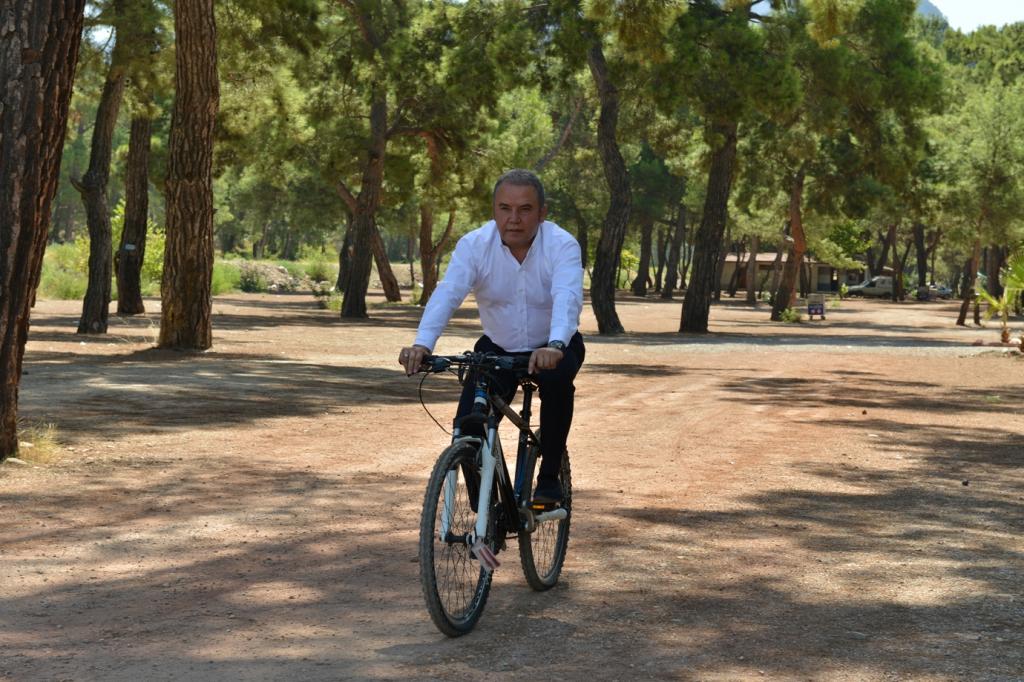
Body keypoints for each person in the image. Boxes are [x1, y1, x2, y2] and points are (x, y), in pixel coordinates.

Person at [398, 169, 585, 505]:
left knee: (557, 384)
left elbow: (567, 296)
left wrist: (556, 344)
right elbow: (448, 293)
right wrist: (422, 345)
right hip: (498, 346)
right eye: (505, 208)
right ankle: (487, 508)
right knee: (468, 426)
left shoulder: (561, 244)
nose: (514, 219)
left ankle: (548, 478)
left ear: (542, 213)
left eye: (525, 209)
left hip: (553, 346)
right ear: (494, 210)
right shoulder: (474, 245)